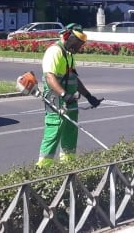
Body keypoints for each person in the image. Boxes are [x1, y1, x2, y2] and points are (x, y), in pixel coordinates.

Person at [37, 23, 103, 167]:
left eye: (80, 45)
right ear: (67, 37)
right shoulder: (54, 51)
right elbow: (49, 76)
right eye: (76, 43)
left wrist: (89, 96)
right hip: (56, 101)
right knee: (53, 133)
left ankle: (68, 166)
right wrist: (64, 94)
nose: (78, 48)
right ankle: (42, 169)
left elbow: (73, 78)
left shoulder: (69, 55)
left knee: (70, 133)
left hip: (70, 101)